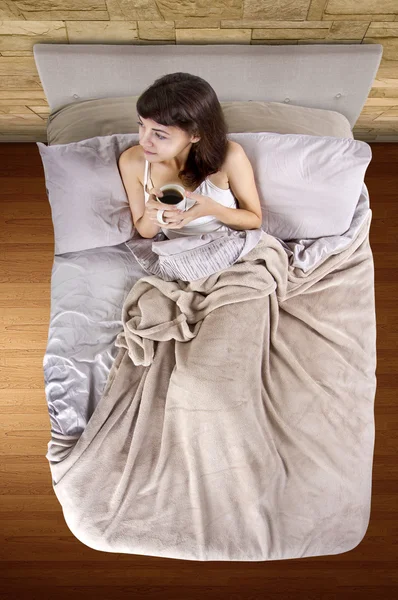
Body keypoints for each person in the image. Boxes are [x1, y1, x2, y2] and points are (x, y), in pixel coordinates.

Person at [118, 72, 264, 281]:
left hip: (231, 249)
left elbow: (254, 220)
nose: (144, 141)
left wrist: (212, 209)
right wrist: (153, 214)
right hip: (178, 257)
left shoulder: (230, 156)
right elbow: (145, 232)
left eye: (159, 135)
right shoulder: (133, 162)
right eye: (141, 125)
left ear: (195, 135)